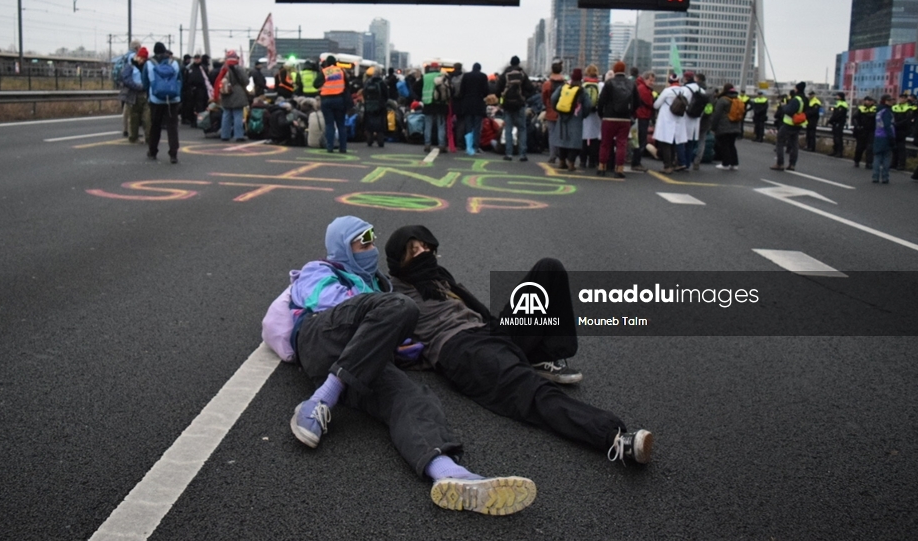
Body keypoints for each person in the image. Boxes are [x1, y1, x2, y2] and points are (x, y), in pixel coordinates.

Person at [279, 217, 536, 515]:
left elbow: (380, 328)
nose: (371, 249)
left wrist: (396, 342)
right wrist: (386, 318)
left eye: (372, 242)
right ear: (342, 247)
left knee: (414, 398)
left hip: (357, 361)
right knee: (400, 305)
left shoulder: (378, 283)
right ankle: (319, 400)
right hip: (321, 339)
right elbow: (324, 301)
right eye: (363, 243)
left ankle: (449, 474)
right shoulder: (320, 270)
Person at [385, 226, 654, 466]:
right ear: (399, 262)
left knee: (548, 269)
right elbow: (385, 339)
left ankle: (541, 356)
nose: (423, 252)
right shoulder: (395, 295)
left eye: (425, 246)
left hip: (490, 329)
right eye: (413, 251)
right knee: (532, 392)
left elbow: (476, 308)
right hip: (464, 349)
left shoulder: (437, 276)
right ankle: (614, 438)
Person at [596, 61, 637, 178]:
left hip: (609, 117)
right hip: (625, 119)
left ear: (614, 70)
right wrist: (630, 114)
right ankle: (619, 169)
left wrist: (601, 114)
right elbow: (637, 102)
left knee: (605, 143)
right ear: (625, 70)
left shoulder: (609, 83)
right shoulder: (631, 84)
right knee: (621, 144)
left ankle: (602, 167)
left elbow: (601, 101)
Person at [145, 42, 183, 163]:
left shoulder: (149, 63)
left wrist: (149, 95)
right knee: (172, 127)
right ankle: (173, 154)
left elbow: (145, 82)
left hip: (156, 99)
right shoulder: (174, 63)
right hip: (172, 100)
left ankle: (152, 151)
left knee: (155, 126)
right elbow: (179, 80)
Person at [550, 68, 589, 171]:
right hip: (576, 118)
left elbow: (553, 98)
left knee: (562, 140)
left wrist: (557, 109)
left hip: (562, 117)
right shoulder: (582, 90)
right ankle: (571, 163)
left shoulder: (564, 87)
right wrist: (583, 115)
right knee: (574, 142)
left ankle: (561, 161)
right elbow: (588, 105)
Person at [652, 74, 690, 173]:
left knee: (666, 144)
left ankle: (667, 166)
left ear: (669, 81)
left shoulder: (667, 91)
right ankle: (673, 163)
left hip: (667, 121)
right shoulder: (685, 91)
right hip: (679, 120)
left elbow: (656, 105)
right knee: (674, 143)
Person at [315, 55, 351, 154]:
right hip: (339, 99)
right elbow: (347, 85)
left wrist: (323, 85)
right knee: (341, 125)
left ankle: (330, 147)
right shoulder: (341, 71)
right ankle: (343, 148)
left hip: (326, 100)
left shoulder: (324, 71)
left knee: (329, 124)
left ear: (326, 63)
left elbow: (315, 84)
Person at [497, 56, 529, 161]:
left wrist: (501, 100)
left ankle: (509, 153)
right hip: (520, 104)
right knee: (522, 129)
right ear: (518, 63)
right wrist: (524, 97)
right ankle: (522, 154)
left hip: (507, 105)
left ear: (510, 63)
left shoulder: (505, 74)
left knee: (508, 129)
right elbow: (530, 88)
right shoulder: (522, 74)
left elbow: (498, 89)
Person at [771, 81, 808, 171]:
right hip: (798, 124)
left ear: (797, 89)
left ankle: (780, 163)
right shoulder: (805, 99)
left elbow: (789, 111)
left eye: (795, 88)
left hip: (789, 123)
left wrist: (784, 106)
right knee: (794, 144)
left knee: (780, 141)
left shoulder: (796, 99)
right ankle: (792, 164)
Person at [215, 50, 249, 142]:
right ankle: (238, 135)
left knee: (226, 114)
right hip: (237, 92)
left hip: (225, 92)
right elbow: (245, 81)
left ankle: (225, 135)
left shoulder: (224, 68)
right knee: (237, 115)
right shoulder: (238, 68)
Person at [709, 83, 742, 170]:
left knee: (724, 145)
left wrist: (713, 127)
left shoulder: (722, 99)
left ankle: (725, 164)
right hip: (736, 126)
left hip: (724, 126)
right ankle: (734, 164)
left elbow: (717, 114)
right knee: (732, 145)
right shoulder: (737, 99)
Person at [123, 46, 151, 146]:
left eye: (144, 59)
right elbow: (126, 79)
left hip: (145, 94)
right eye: (141, 58)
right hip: (133, 94)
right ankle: (133, 137)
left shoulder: (146, 66)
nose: (142, 61)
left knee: (147, 118)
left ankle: (149, 138)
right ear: (137, 56)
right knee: (133, 117)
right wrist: (137, 86)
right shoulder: (130, 65)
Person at [458, 63, 489, 154]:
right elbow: (486, 91)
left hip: (467, 103)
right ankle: (476, 146)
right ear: (480, 68)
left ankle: (469, 146)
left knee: (468, 126)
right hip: (478, 103)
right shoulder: (483, 76)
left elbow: (461, 90)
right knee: (477, 127)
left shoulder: (466, 76)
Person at [418, 63, 449, 153]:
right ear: (438, 68)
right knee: (441, 125)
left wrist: (421, 96)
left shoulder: (425, 77)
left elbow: (415, 87)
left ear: (430, 68)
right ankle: (441, 145)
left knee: (428, 125)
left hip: (428, 103)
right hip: (441, 104)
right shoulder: (443, 76)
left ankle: (427, 144)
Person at [540, 61, 564, 163]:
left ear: (552, 70)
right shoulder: (565, 83)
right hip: (563, 110)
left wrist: (547, 105)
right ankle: (561, 155)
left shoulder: (547, 84)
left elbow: (544, 97)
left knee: (552, 133)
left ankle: (552, 155)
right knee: (562, 133)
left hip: (551, 110)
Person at [631, 71, 655, 172]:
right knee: (641, 141)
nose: (652, 83)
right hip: (642, 116)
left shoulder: (641, 87)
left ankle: (636, 161)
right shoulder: (643, 89)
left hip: (641, 116)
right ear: (645, 79)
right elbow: (650, 103)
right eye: (650, 80)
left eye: (653, 81)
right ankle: (636, 162)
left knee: (638, 141)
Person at [580, 65, 603, 169]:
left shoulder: (583, 85)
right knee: (595, 138)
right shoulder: (600, 85)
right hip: (596, 114)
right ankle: (592, 161)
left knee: (584, 137)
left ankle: (582, 161)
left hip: (585, 114)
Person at [361, 67, 388, 148]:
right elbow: (386, 94)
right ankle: (380, 140)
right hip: (380, 106)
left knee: (369, 123)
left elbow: (364, 93)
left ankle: (369, 139)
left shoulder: (368, 82)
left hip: (369, 106)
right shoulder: (382, 83)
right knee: (380, 123)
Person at [872, 94, 896, 184]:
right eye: (889, 101)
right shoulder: (886, 112)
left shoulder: (878, 111)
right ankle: (885, 177)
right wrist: (892, 138)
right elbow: (887, 126)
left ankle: (875, 176)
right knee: (886, 157)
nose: (891, 102)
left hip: (878, 135)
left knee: (877, 156)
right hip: (885, 136)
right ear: (885, 101)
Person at [891, 92, 914, 170]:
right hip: (894, 129)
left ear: (906, 99)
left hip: (903, 130)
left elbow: (907, 120)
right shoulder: (894, 107)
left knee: (901, 148)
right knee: (894, 147)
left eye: (904, 98)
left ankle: (901, 164)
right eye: (901, 98)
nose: (902, 99)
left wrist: (897, 124)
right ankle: (894, 163)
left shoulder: (908, 108)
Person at [852, 96, 877, 169]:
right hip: (862, 131)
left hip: (871, 131)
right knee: (860, 147)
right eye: (867, 100)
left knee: (870, 148)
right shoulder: (860, 109)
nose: (868, 102)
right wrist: (857, 126)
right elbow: (854, 118)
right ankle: (857, 161)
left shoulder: (875, 109)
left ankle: (869, 163)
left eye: (870, 101)